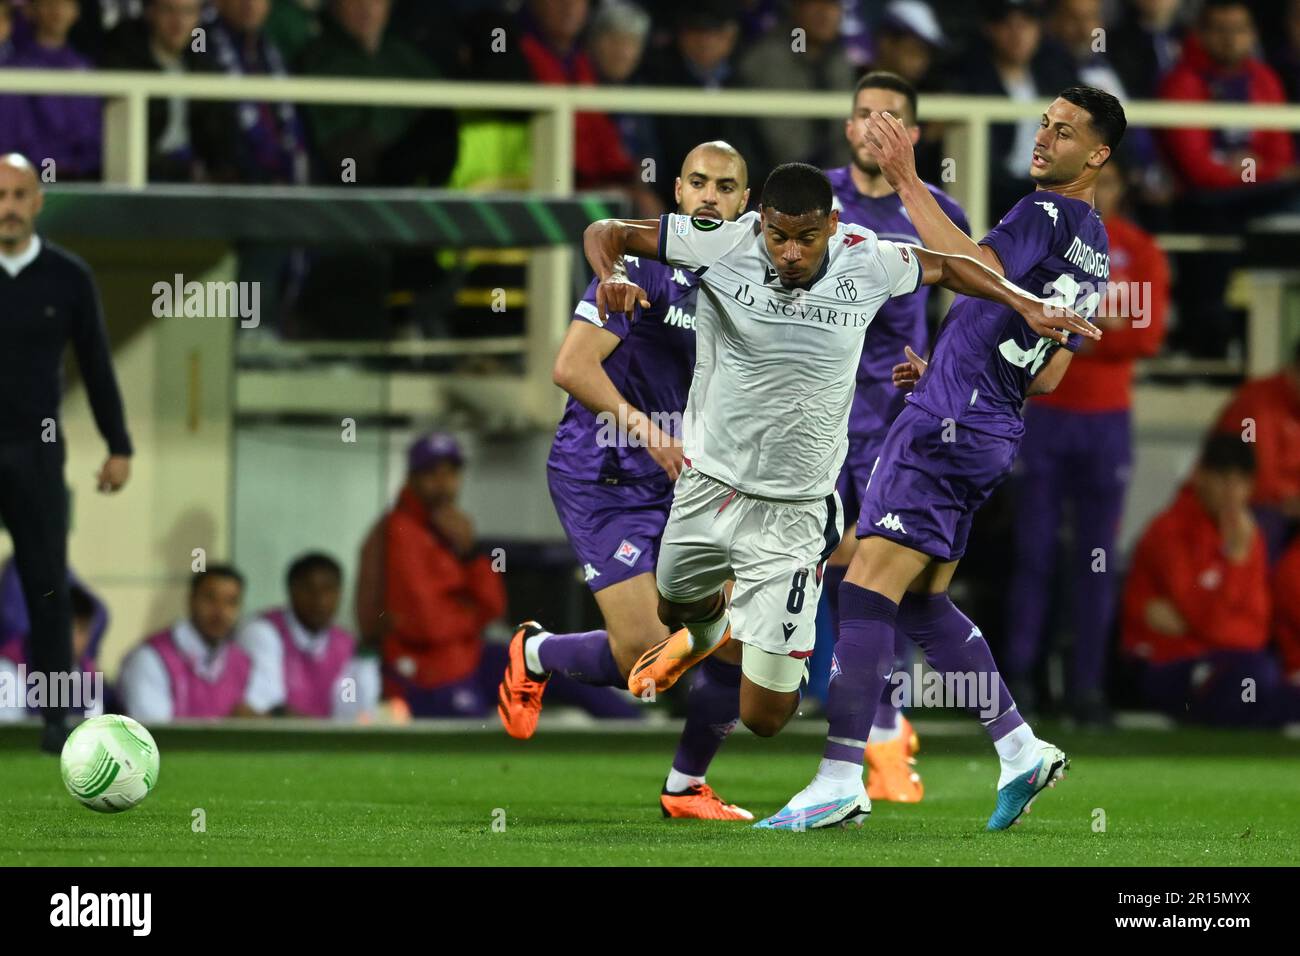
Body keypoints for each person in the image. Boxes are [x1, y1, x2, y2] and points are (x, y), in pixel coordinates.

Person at [582, 154, 1095, 822]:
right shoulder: (720, 242)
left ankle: (844, 760)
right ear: (761, 221)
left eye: (806, 237)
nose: (790, 252)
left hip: (796, 515)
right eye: (778, 235)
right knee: (677, 606)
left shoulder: (867, 256)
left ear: (832, 224)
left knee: (766, 717)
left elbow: (952, 266)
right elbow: (609, 230)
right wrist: (613, 273)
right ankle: (718, 641)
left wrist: (1023, 301)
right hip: (706, 490)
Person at [752, 85, 1124, 831]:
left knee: (863, 588)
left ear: (1099, 154)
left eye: (1065, 131)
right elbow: (1047, 371)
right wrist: (954, 361)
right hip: (988, 428)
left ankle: (837, 778)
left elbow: (965, 262)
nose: (1045, 137)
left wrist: (904, 177)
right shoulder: (1098, 246)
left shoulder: (1041, 212)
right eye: (1045, 123)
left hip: (943, 428)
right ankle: (1019, 749)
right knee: (920, 602)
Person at [498, 142, 754, 821]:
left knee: (736, 635)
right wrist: (650, 433)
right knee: (645, 653)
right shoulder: (640, 267)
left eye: (725, 187)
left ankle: (686, 787)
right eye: (697, 182)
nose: (709, 196)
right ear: (676, 191)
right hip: (605, 472)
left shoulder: (750, 284)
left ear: (744, 205)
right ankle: (537, 650)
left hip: (688, 480)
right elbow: (572, 368)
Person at [822, 70, 971, 804]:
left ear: (911, 135)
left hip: (893, 423)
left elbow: (976, 314)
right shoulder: (807, 200)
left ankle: (878, 733)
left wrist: (941, 384)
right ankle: (877, 730)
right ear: (848, 129)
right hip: (809, 418)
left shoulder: (937, 211)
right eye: (863, 115)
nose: (875, 127)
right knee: (833, 567)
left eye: (891, 117)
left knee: (880, 579)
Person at [1003, 156, 1169, 723]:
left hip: (1103, 419)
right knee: (1034, 554)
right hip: (1047, 413)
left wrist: (1070, 330)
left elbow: (1146, 337)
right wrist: (1098, 332)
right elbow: (1023, 317)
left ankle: (1086, 689)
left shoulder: (1139, 249)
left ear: (1121, 187)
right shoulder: (1048, 231)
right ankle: (1022, 681)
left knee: (1096, 560)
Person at [362, 432, 638, 719]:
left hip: (470, 655)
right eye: (432, 474)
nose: (443, 484)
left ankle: (645, 736)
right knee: (479, 733)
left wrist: (469, 552)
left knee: (564, 669)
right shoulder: (399, 532)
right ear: (413, 478)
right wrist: (470, 616)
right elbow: (427, 626)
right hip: (424, 670)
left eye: (450, 473)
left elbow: (494, 606)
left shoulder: (454, 528)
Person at [0, 153, 132, 752]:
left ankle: (56, 719)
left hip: (35, 452)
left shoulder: (68, 277)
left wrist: (119, 445)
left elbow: (98, 366)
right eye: (0, 195)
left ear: (38, 200)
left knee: (48, 583)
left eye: (19, 194)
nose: (8, 207)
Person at [1121, 435, 1300, 726]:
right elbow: (1210, 624)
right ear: (1201, 477)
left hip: (1230, 662)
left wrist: (1205, 627)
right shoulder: (1170, 531)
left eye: (1241, 482)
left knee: (1257, 674)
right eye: (1223, 479)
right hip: (1168, 665)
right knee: (1254, 677)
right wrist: (1237, 562)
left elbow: (1257, 629)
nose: (1232, 492)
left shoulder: (1248, 534)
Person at [955, 0, 1078, 220]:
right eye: (1008, 25)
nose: (1018, 34)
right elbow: (987, 167)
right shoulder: (971, 80)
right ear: (990, 29)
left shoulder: (1052, 76)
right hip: (999, 198)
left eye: (1026, 24)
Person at [99, 0, 240, 183]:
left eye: (188, 12)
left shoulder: (202, 65)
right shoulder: (123, 59)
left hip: (193, 182)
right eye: (168, 11)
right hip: (141, 179)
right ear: (151, 13)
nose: (178, 22)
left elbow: (220, 138)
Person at [238, 552, 381, 719]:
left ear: (340, 593)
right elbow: (269, 709)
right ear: (291, 590)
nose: (319, 600)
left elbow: (351, 711)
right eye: (309, 589)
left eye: (328, 590)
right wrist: (328, 736)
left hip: (322, 741)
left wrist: (366, 657)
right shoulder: (262, 632)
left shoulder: (346, 643)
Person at [117, 565, 255, 723]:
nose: (220, 611)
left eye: (231, 602)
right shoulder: (150, 658)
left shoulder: (241, 662)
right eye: (210, 599)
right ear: (191, 600)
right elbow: (155, 736)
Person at [736, 0, 855, 170]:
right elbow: (785, 146)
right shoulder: (768, 58)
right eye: (816, 4)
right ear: (795, 7)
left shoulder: (840, 58)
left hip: (834, 180)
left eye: (833, 5)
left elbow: (846, 134)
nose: (825, 13)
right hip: (780, 181)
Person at [1212, 342, 1300, 563]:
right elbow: (1254, 479)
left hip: (1289, 504)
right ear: (1294, 372)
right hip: (1255, 506)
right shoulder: (1257, 404)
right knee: (1264, 522)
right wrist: (1289, 497)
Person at [3, 0, 103, 181]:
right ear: (32, 10)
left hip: (85, 174)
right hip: (36, 176)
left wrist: (82, 165)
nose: (57, 10)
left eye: (66, 3)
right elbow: (22, 139)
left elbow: (93, 135)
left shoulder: (85, 67)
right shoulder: (15, 67)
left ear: (76, 11)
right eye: (48, 2)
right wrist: (53, 168)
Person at [0, 561, 110, 721]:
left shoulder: (87, 673)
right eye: (68, 627)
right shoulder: (8, 670)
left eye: (82, 629)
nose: (75, 638)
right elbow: (9, 737)